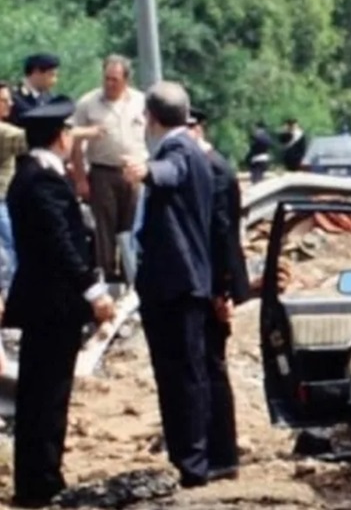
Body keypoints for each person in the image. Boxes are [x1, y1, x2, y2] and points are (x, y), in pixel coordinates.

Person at [4, 99, 115, 508]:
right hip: (53, 303)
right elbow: (61, 244)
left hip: (44, 301)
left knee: (43, 392)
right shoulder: (41, 181)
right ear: (60, 136)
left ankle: (41, 474)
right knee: (47, 395)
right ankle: (41, 480)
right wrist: (94, 291)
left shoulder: (30, 176)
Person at [121, 81, 215, 489]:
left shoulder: (178, 151)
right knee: (181, 373)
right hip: (180, 282)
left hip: (175, 285)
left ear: (152, 119)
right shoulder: (190, 148)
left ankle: (192, 462)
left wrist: (145, 172)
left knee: (183, 375)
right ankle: (188, 456)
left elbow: (168, 174)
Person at [186, 108, 249, 482]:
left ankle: (221, 453)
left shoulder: (213, 170)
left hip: (213, 284)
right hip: (210, 282)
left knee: (211, 368)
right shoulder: (210, 166)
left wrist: (221, 290)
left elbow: (221, 236)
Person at [69, 55, 148, 286]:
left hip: (134, 170)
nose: (110, 84)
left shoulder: (140, 102)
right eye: (106, 79)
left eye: (115, 79)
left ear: (126, 79)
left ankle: (131, 273)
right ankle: (108, 276)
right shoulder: (88, 103)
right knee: (104, 227)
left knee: (133, 224)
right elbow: (74, 142)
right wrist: (81, 178)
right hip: (103, 172)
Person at [0, 82, 27, 290]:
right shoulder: (4, 132)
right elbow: (33, 139)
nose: (10, 104)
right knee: (8, 253)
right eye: (3, 100)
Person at [9, 54, 60, 123]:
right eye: (51, 75)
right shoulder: (12, 97)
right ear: (36, 72)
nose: (54, 81)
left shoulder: (49, 98)